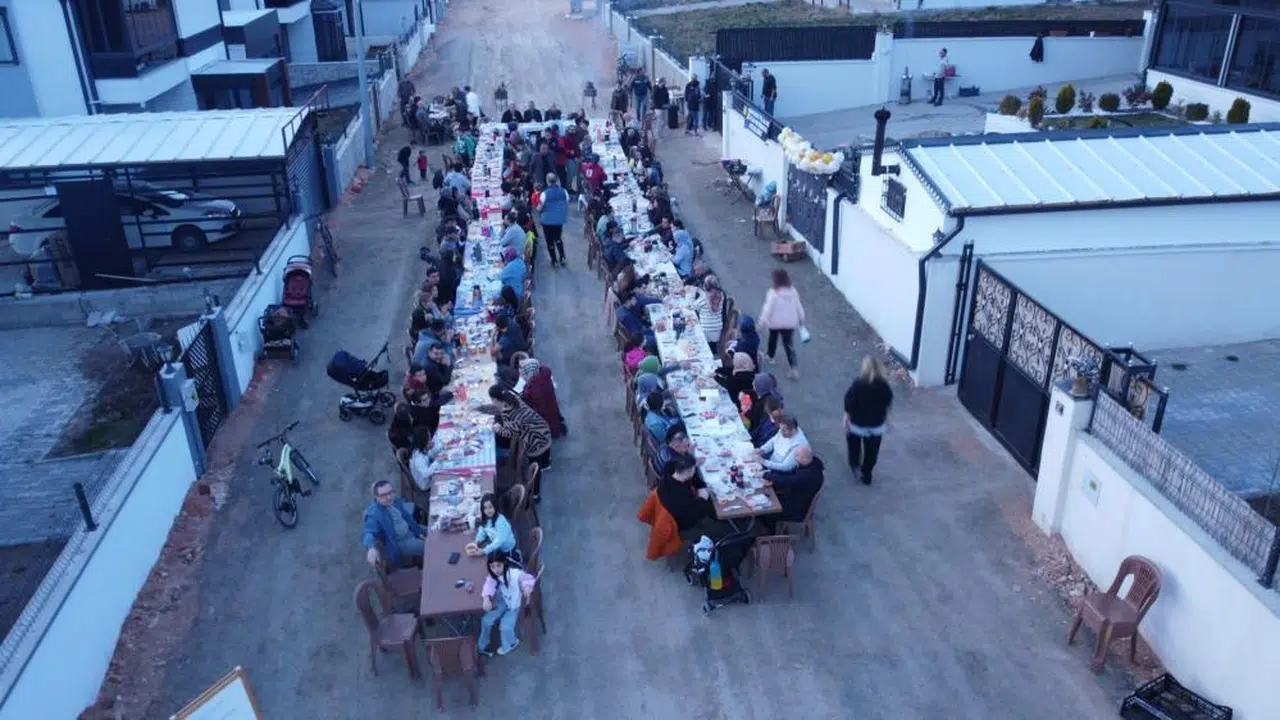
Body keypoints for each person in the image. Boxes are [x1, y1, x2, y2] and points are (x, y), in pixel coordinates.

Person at [844, 355, 894, 485]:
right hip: (876, 425)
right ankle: (867, 474)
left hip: (857, 423)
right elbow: (887, 403)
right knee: (872, 451)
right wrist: (887, 420)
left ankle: (855, 466)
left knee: (854, 447)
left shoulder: (858, 384)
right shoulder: (883, 385)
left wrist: (846, 418)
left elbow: (849, 403)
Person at [478, 551, 535, 657]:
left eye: (498, 565)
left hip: (516, 604)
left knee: (505, 627)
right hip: (505, 599)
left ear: (504, 563)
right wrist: (486, 598)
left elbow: (526, 578)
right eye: (492, 566)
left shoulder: (514, 573)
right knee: (486, 620)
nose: (496, 570)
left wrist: (527, 587)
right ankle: (483, 644)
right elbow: (489, 583)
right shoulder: (494, 574)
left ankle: (511, 643)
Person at [362, 480, 426, 569]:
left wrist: (418, 531)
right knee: (427, 547)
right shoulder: (373, 514)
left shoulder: (395, 500)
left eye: (390, 493)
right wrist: (371, 548)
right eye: (383, 495)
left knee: (434, 531)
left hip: (409, 529)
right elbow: (369, 532)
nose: (389, 497)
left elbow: (407, 517)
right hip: (400, 542)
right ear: (376, 497)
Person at [488, 385, 553, 472]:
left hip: (535, 440)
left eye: (492, 400)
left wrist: (498, 429)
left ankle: (539, 468)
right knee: (545, 454)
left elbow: (509, 433)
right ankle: (546, 462)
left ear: (495, 400)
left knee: (536, 462)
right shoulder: (513, 398)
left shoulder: (508, 412)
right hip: (542, 428)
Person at [761, 446, 824, 534]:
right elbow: (790, 475)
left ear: (804, 458)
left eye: (797, 456)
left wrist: (765, 475)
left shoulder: (807, 475)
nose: (794, 458)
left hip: (796, 509)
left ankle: (772, 535)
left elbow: (787, 481)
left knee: (765, 511)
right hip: (795, 498)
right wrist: (770, 474)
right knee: (767, 497)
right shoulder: (811, 464)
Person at [758, 269, 805, 379]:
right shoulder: (793, 291)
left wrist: (761, 322)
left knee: (773, 338)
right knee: (788, 345)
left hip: (775, 322)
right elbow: (798, 306)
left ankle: (770, 356)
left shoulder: (773, 293)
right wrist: (801, 319)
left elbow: (767, 309)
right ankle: (793, 367)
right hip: (790, 323)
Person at [656, 455, 716, 534]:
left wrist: (692, 462)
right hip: (683, 524)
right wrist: (702, 498)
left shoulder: (670, 470)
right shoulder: (680, 495)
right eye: (694, 470)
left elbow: (673, 463)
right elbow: (691, 517)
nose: (695, 471)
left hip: (670, 511)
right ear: (688, 472)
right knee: (713, 509)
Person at [519, 357, 567, 438]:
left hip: (544, 415)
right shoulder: (543, 375)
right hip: (552, 409)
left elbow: (530, 402)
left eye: (523, 374)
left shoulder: (535, 389)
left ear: (529, 374)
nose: (522, 376)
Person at [540, 173, 569, 267]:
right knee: (558, 238)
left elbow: (540, 207)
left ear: (547, 181)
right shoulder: (564, 191)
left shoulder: (544, 194)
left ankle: (554, 260)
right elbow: (567, 201)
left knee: (549, 241)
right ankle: (562, 257)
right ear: (556, 180)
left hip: (547, 221)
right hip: (559, 220)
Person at [694, 275, 726, 352]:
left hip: (705, 333)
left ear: (705, 287)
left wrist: (693, 295)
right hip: (717, 332)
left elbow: (693, 307)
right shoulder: (722, 295)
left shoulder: (703, 299)